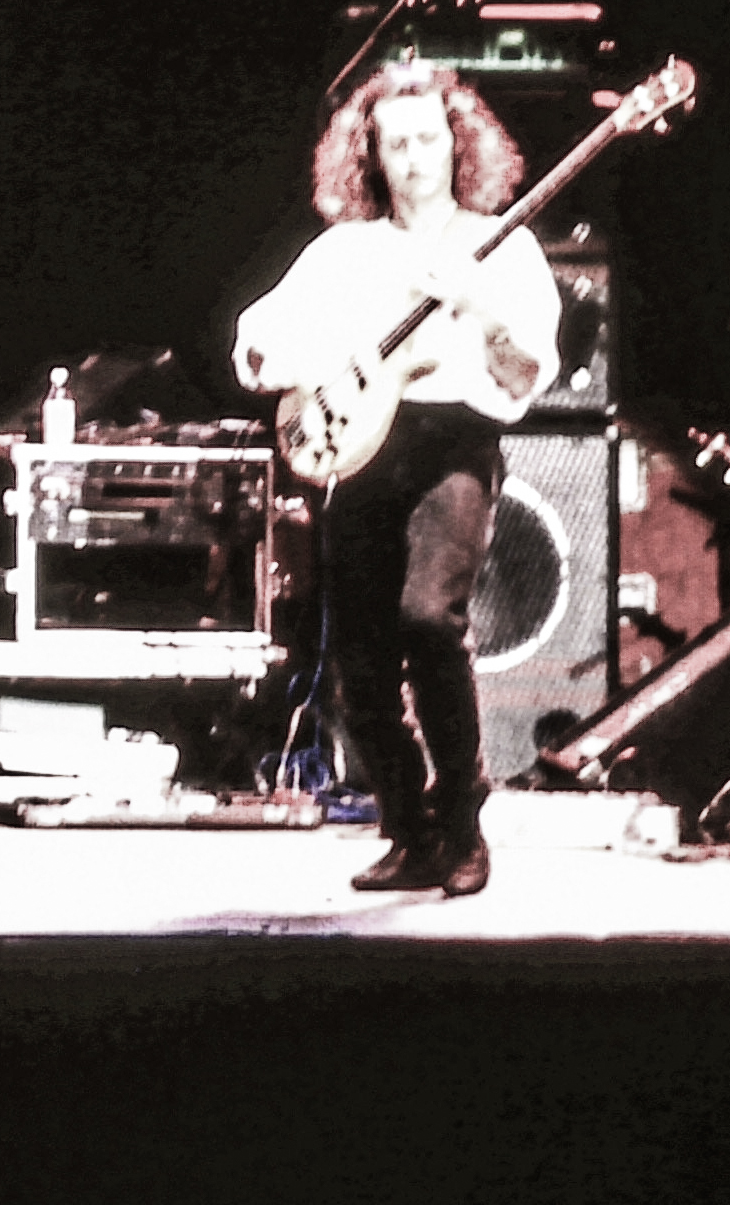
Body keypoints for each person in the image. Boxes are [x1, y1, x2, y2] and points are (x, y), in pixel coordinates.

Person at [233, 61, 560, 897]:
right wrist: (281, 360)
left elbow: (527, 374)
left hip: (454, 442)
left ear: (458, 145)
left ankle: (464, 824)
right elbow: (263, 337)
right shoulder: (346, 251)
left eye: (428, 139)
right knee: (361, 660)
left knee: (428, 618)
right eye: (396, 144)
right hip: (364, 448)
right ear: (371, 156)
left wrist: (481, 308)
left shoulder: (501, 245)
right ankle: (410, 831)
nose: (415, 158)